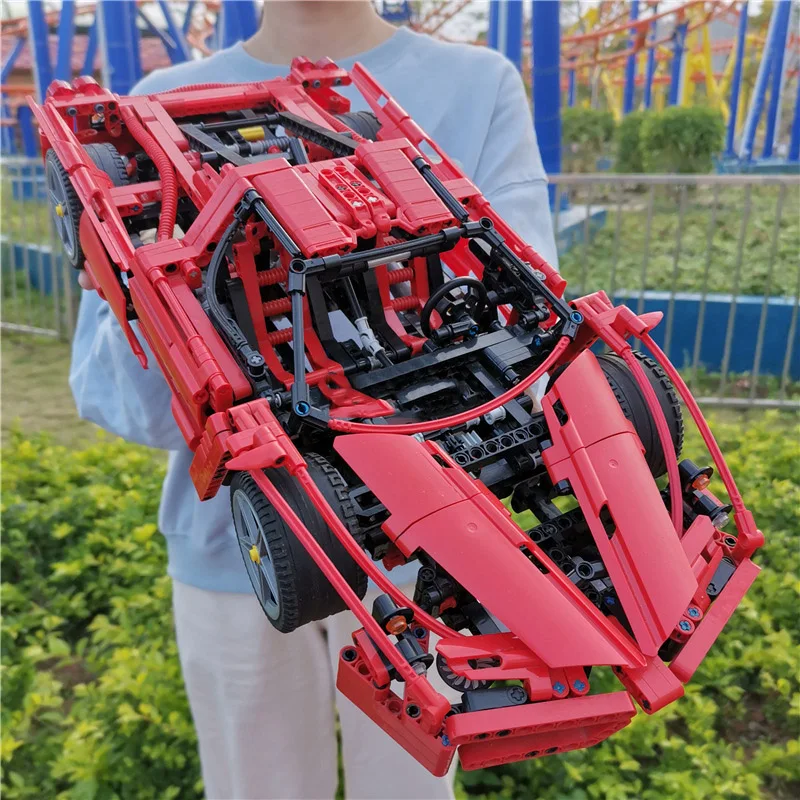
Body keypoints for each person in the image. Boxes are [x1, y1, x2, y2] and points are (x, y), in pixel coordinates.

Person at [70, 2, 559, 798]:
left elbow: (529, 339)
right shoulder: (149, 107)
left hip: (428, 556)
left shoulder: (476, 84)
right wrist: (149, 308)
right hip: (242, 551)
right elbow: (120, 399)